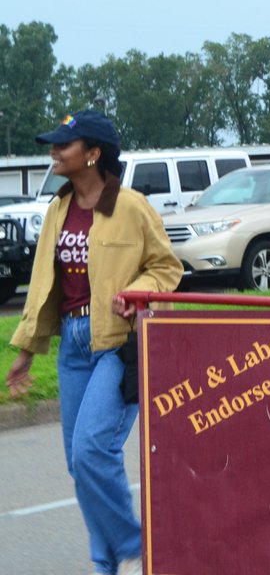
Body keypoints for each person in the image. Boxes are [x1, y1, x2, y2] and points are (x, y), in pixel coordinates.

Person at [6, 110, 183, 575]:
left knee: (91, 451)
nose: (54, 151)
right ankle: (105, 564)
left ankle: (138, 544)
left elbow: (167, 268)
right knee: (79, 465)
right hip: (72, 345)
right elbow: (44, 286)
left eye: (64, 145)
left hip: (117, 343)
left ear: (93, 154)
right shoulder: (57, 210)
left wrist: (138, 293)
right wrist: (26, 351)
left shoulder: (130, 206)